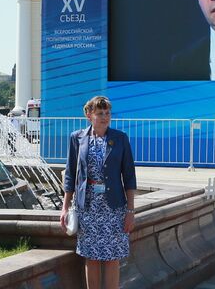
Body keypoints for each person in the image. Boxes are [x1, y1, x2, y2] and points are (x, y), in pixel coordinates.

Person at [60, 96, 137, 289]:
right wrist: (65, 207)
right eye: (100, 113)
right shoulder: (77, 138)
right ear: (89, 115)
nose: (105, 117)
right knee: (91, 256)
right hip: (88, 206)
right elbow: (71, 175)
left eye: (107, 113)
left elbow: (129, 176)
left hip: (113, 207)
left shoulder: (120, 139)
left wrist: (130, 211)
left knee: (112, 257)